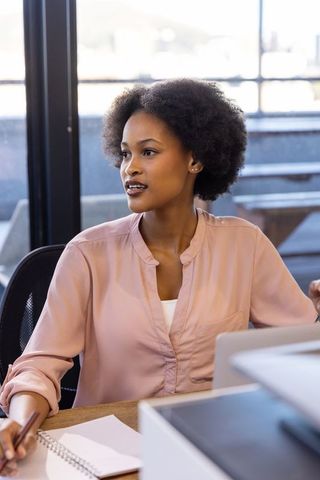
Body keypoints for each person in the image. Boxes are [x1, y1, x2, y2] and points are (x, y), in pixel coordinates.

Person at [0, 78, 317, 475]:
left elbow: (303, 348)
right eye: (125, 153)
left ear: (195, 159)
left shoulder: (245, 246)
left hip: (212, 451)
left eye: (148, 152)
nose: (130, 168)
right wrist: (18, 420)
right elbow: (38, 366)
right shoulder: (88, 254)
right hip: (107, 460)